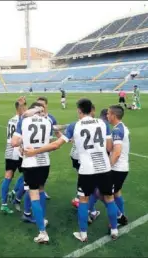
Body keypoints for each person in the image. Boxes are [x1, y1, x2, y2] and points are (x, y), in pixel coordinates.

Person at [25, 98, 120, 242]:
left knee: (83, 199)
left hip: (87, 169)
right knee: (109, 198)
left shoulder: (75, 126)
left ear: (79, 111)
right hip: (104, 167)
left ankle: (83, 234)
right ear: (92, 110)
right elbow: (109, 147)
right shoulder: (103, 124)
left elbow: (56, 145)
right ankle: (114, 230)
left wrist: (35, 151)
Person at [11, 102, 52, 244]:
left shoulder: (24, 121)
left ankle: (42, 232)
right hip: (44, 162)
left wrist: (22, 141)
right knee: (41, 191)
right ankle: (43, 219)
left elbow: (14, 142)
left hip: (31, 163)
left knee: (33, 195)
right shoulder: (47, 121)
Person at [0, 100, 27, 214]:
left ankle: (4, 203)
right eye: (24, 107)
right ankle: (14, 194)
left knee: (8, 177)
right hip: (18, 150)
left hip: (9, 150)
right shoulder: (22, 121)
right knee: (26, 175)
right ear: (20, 108)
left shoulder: (11, 119)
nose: (26, 109)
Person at [107, 105, 130, 227]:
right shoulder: (121, 127)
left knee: (107, 196)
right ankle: (121, 215)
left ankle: (117, 221)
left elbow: (116, 152)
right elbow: (110, 147)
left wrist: (108, 166)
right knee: (116, 193)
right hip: (122, 167)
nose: (107, 115)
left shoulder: (117, 130)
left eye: (108, 114)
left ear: (113, 116)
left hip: (117, 169)